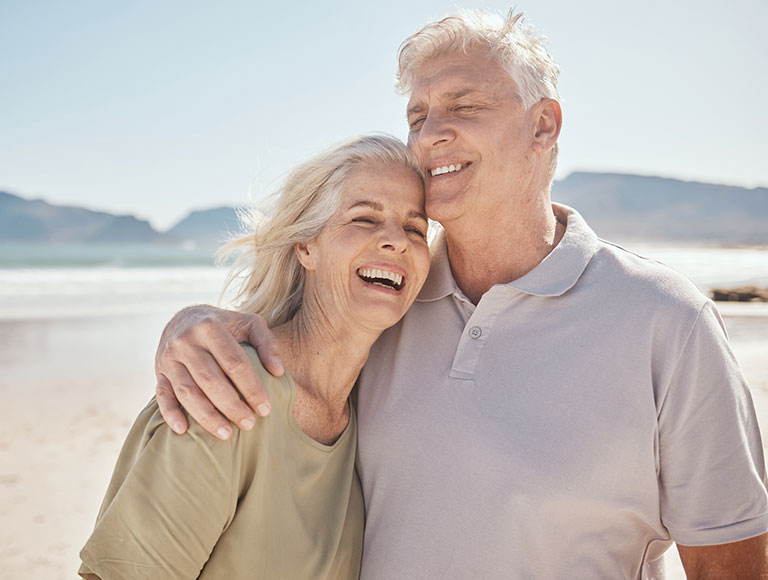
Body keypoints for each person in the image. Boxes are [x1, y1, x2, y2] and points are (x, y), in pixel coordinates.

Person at [153, 9, 768, 579]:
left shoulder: (669, 321)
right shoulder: (382, 303)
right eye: (417, 117)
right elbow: (285, 353)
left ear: (543, 125)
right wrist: (192, 323)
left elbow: (733, 567)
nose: (428, 137)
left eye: (462, 106)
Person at [78, 134, 431, 579]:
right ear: (306, 247)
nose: (396, 241)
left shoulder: (376, 408)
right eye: (364, 218)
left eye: (415, 228)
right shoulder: (225, 390)